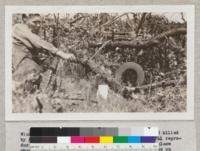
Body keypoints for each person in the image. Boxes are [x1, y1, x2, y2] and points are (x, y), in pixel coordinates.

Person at [12, 13, 76, 93]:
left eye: (40, 22)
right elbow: (38, 42)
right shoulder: (19, 27)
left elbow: (38, 47)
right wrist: (62, 53)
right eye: (35, 22)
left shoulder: (28, 33)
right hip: (23, 65)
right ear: (25, 19)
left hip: (26, 64)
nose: (38, 25)